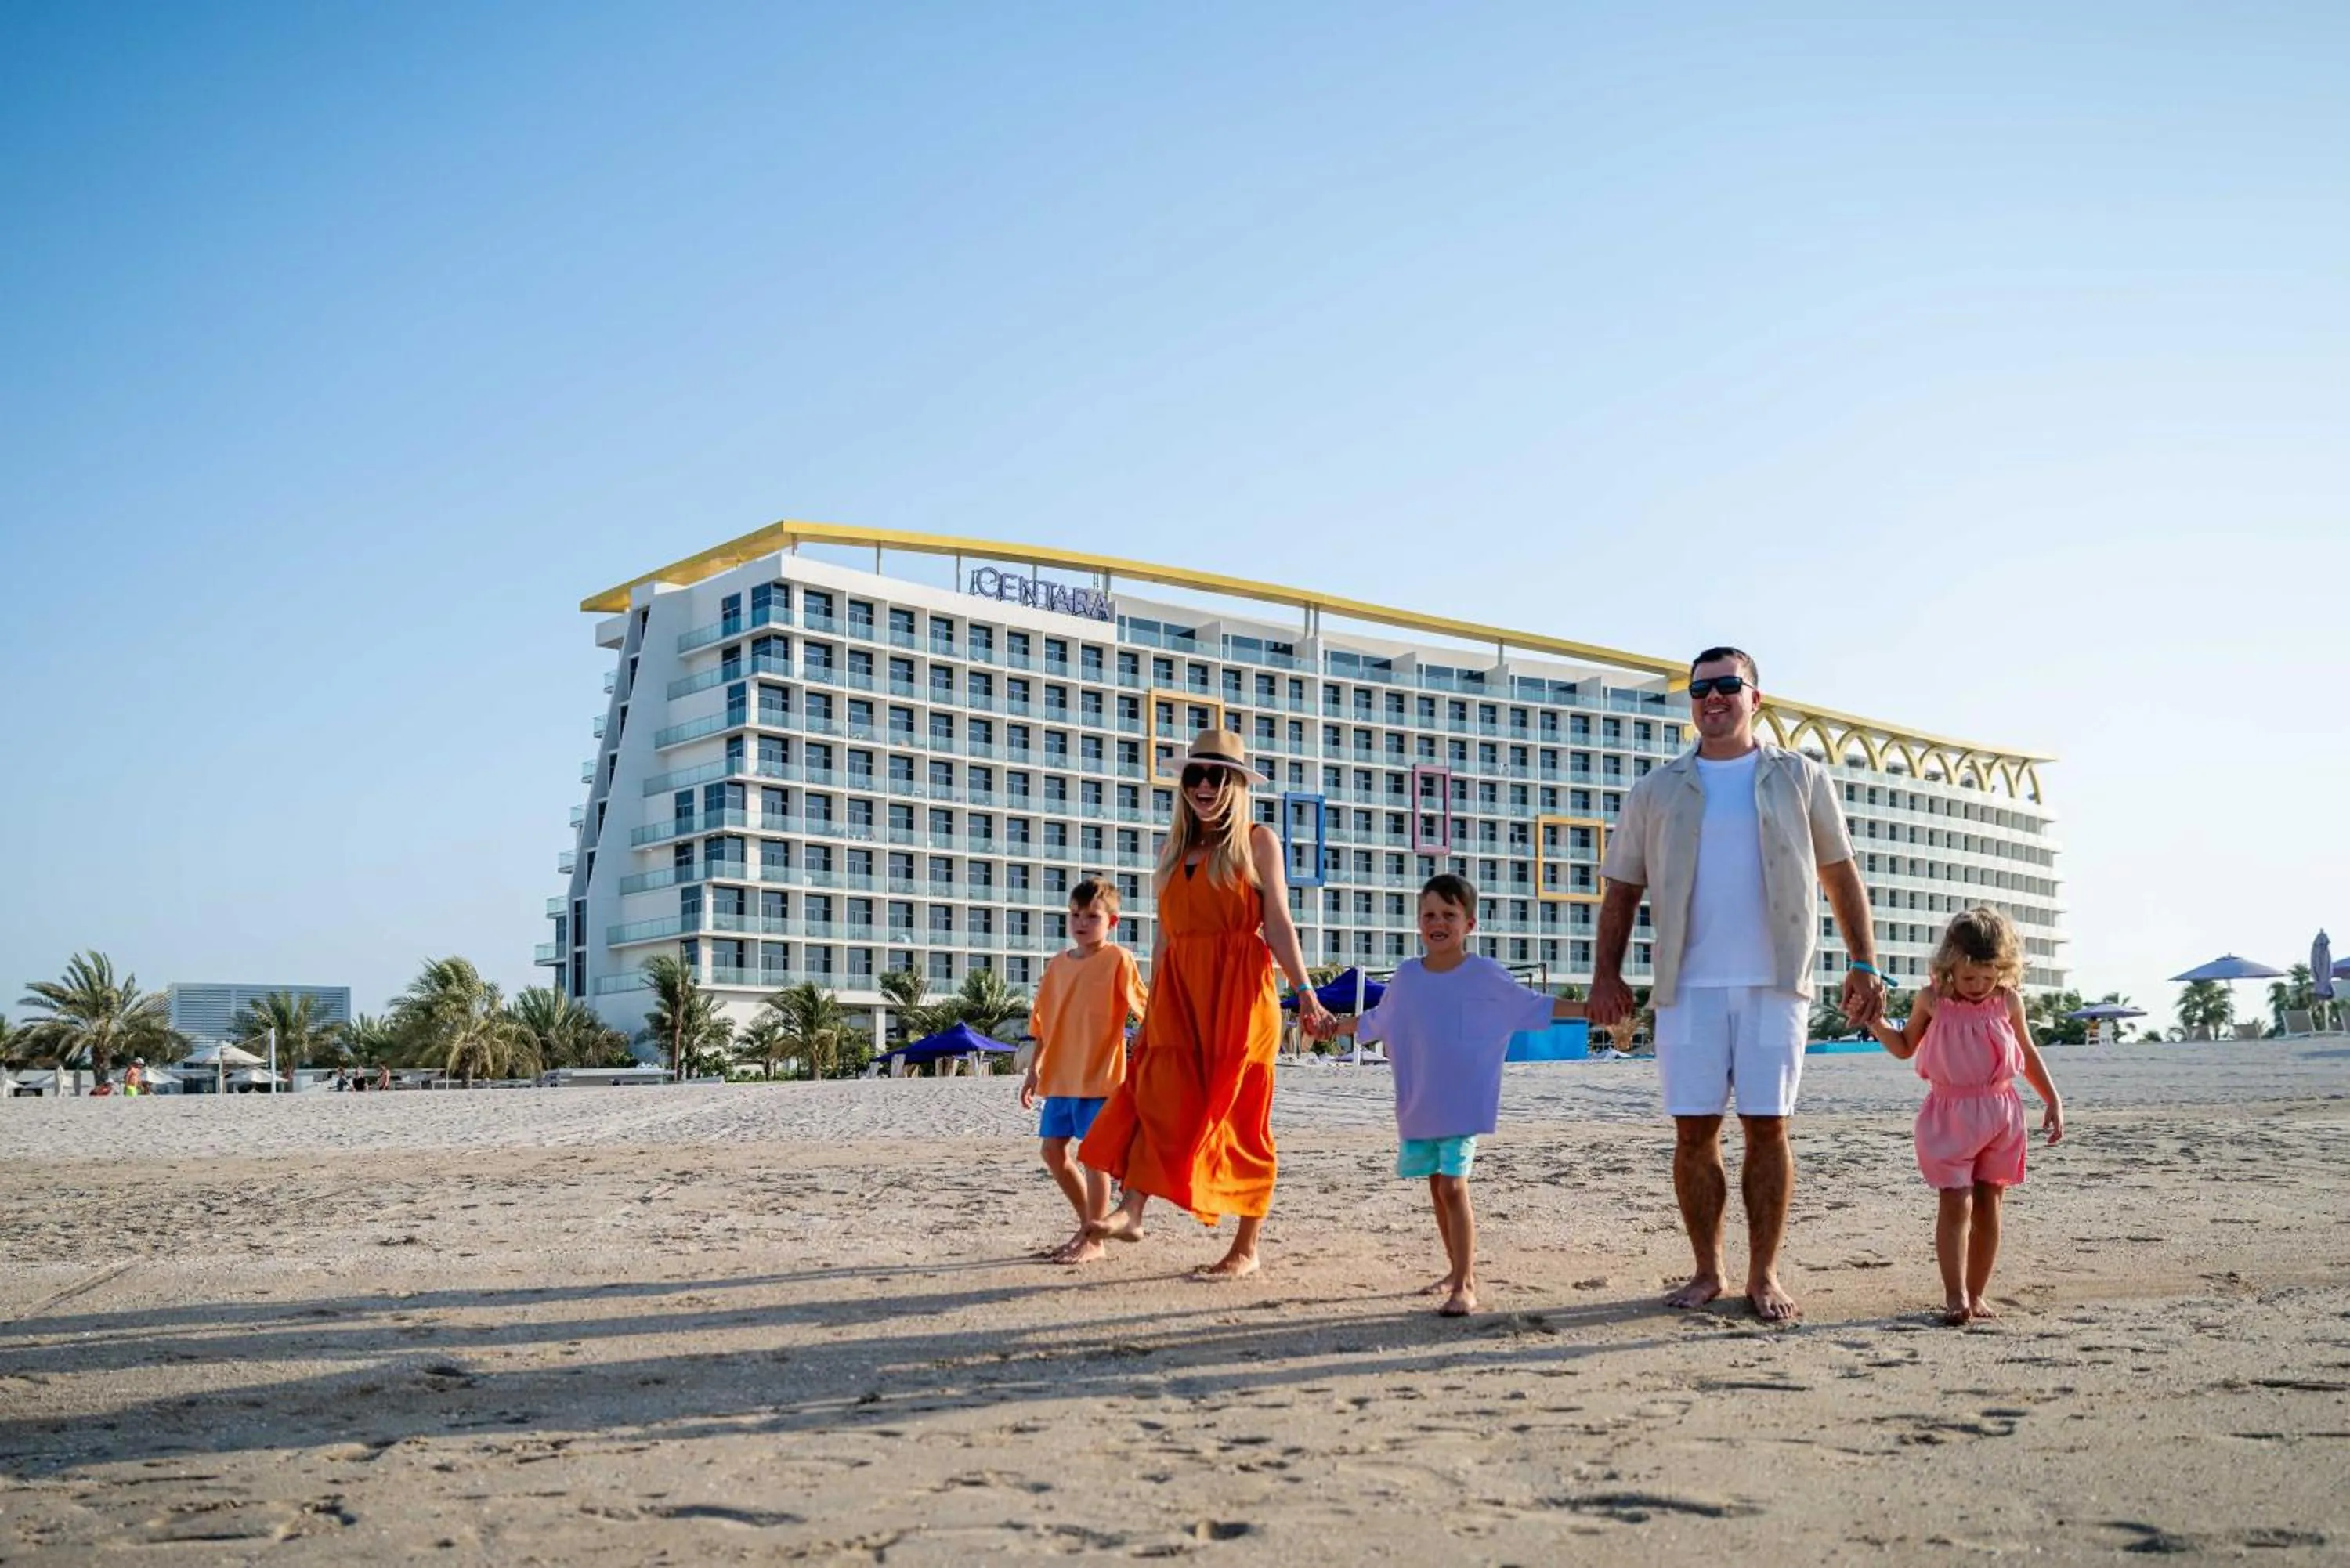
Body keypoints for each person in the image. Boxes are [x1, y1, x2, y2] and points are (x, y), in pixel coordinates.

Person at [1589, 645, 1885, 1324]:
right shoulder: (1657, 789)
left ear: (1756, 697)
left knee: (1767, 1128)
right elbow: (1622, 890)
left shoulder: (1800, 777)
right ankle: (1707, 1270)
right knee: (1693, 1133)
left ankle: (1764, 1274)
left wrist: (1863, 962)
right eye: (1700, 690)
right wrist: (1607, 973)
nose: (1712, 698)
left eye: (1728, 686)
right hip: (1687, 986)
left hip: (1775, 983)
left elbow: (1840, 876)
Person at [1082, 729, 1334, 1278]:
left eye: (1215, 775)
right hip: (1180, 993)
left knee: (1241, 1117)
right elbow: (1165, 937)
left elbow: (1278, 923)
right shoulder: (1174, 850)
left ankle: (1246, 1247)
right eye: (1193, 775)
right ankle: (1131, 1209)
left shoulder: (1256, 840)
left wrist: (1306, 992)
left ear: (1236, 783)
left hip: (1241, 992)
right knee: (1155, 1095)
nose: (1201, 785)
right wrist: (1148, 1004)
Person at [1315, 874, 1577, 1317]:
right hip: (1421, 1104)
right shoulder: (1407, 978)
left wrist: (1598, 1008)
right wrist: (1332, 1026)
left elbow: (1535, 1006)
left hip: (1462, 1103)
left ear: (1469, 923)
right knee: (1438, 1188)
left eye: (1449, 915)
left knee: (1454, 1186)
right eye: (1429, 915)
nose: (1438, 923)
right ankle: (1455, 1269)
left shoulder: (1485, 975)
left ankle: (1466, 1283)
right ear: (1419, 923)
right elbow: (1376, 1022)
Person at [1866, 907, 2064, 1324]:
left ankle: (1978, 1294)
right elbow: (1904, 1047)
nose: (1978, 986)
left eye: (1988, 976)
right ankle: (1954, 1295)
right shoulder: (1933, 1001)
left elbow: (2026, 1054)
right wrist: (1877, 1023)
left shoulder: (2008, 1001)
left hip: (2001, 1112)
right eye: (1969, 977)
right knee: (1956, 1203)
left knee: (1991, 1205)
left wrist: (2052, 1098)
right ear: (1949, 966)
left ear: (2003, 968)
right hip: (1949, 1114)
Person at [1021, 878, 1151, 1266]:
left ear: (1112, 921)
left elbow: (1147, 1010)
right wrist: (1033, 1071)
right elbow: (1043, 1024)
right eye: (1075, 915)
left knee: (1095, 1159)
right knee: (1052, 1152)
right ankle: (1087, 1228)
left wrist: (1145, 1050)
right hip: (1060, 1076)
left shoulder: (1118, 959)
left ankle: (1094, 1238)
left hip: (1101, 1077)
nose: (1081, 922)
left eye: (1092, 916)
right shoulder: (1057, 964)